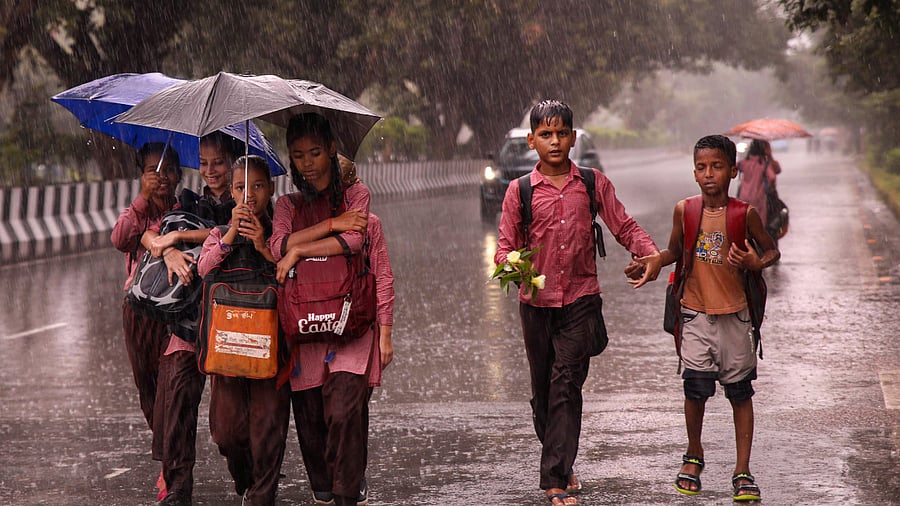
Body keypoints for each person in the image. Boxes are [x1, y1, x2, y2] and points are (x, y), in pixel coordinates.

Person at [494, 100, 661, 506]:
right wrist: (512, 266)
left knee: (566, 384)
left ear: (573, 137)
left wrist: (650, 253)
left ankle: (553, 479)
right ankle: (564, 464)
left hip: (582, 300)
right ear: (532, 141)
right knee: (543, 394)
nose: (554, 141)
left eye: (561, 134)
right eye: (545, 135)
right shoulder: (520, 192)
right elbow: (504, 248)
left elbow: (623, 224)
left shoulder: (592, 183)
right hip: (535, 305)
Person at [658, 135, 779, 501]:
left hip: (736, 319)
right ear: (694, 173)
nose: (709, 174)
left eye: (717, 166)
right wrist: (653, 261)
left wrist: (755, 262)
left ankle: (742, 470)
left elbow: (772, 250)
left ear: (732, 170)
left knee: (739, 394)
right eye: (701, 167)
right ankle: (694, 454)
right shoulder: (685, 210)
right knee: (695, 390)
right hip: (695, 315)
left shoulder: (745, 214)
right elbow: (676, 250)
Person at [269, 113, 372, 506]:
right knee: (311, 424)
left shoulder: (356, 196)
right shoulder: (286, 204)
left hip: (350, 321)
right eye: (298, 155)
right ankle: (330, 488)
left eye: (315, 152)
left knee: (345, 410)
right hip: (302, 325)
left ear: (332, 149)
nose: (307, 162)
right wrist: (329, 226)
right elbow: (278, 247)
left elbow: (354, 242)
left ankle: (349, 487)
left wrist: (300, 248)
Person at [147, 132, 241, 506]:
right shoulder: (187, 201)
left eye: (218, 162)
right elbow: (155, 236)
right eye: (203, 163)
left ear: (233, 161)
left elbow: (228, 238)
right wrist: (167, 252)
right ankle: (178, 487)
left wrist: (183, 237)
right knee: (177, 399)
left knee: (230, 426)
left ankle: (246, 471)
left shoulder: (251, 200)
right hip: (189, 321)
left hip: (234, 321)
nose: (210, 170)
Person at [196, 155, 291, 505]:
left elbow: (291, 272)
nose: (249, 195)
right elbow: (204, 270)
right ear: (232, 193)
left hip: (271, 348)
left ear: (271, 190)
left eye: (258, 186)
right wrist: (232, 234)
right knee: (226, 432)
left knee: (268, 427)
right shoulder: (219, 233)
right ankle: (247, 475)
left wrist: (264, 246)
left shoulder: (281, 234)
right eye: (240, 187)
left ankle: (262, 494)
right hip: (228, 350)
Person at [110, 143, 182, 501]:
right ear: (141, 175)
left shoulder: (186, 211)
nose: (161, 176)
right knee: (149, 390)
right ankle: (170, 455)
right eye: (152, 169)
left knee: (172, 389)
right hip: (137, 313)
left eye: (168, 169)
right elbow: (119, 238)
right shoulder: (136, 212)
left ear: (179, 174)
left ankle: (171, 467)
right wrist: (142, 204)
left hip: (173, 314)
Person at [339, 154, 396, 505]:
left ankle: (352, 475)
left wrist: (386, 334)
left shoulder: (369, 225)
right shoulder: (305, 218)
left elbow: (384, 279)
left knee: (352, 407)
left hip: (360, 329)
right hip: (315, 331)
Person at [736, 139, 781, 240]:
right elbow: (774, 175)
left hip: (743, 197)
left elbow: (734, 168)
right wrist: (771, 187)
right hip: (759, 198)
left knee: (745, 222)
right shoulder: (764, 163)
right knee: (760, 223)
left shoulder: (744, 163)